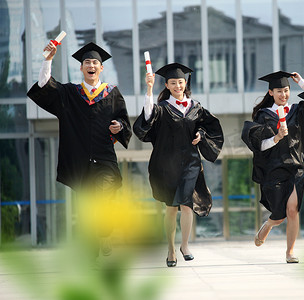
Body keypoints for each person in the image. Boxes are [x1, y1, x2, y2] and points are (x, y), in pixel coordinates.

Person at [27, 41, 132, 259]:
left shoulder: (112, 93)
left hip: (104, 158)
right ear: (82, 68)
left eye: (95, 62)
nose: (91, 65)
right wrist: (48, 59)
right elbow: (45, 85)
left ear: (101, 68)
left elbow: (123, 118)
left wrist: (119, 126)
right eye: (87, 62)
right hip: (80, 160)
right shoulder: (70, 94)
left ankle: (105, 232)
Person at [133, 63, 224, 267]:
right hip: (167, 164)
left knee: (186, 203)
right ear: (166, 85)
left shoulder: (196, 107)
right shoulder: (162, 108)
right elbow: (146, 117)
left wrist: (201, 135)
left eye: (180, 82)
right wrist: (149, 89)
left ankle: (184, 245)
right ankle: (171, 249)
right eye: (173, 83)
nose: (177, 86)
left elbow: (207, 126)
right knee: (172, 207)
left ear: (185, 83)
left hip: (191, 162)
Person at [241, 71, 304, 263]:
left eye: (286, 90)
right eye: (279, 91)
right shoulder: (264, 116)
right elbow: (259, 146)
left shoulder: (297, 111)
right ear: (271, 92)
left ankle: (290, 252)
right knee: (279, 215)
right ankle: (269, 225)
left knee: (293, 209)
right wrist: (276, 137)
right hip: (274, 169)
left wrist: (301, 82)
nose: (283, 95)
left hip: (297, 167)